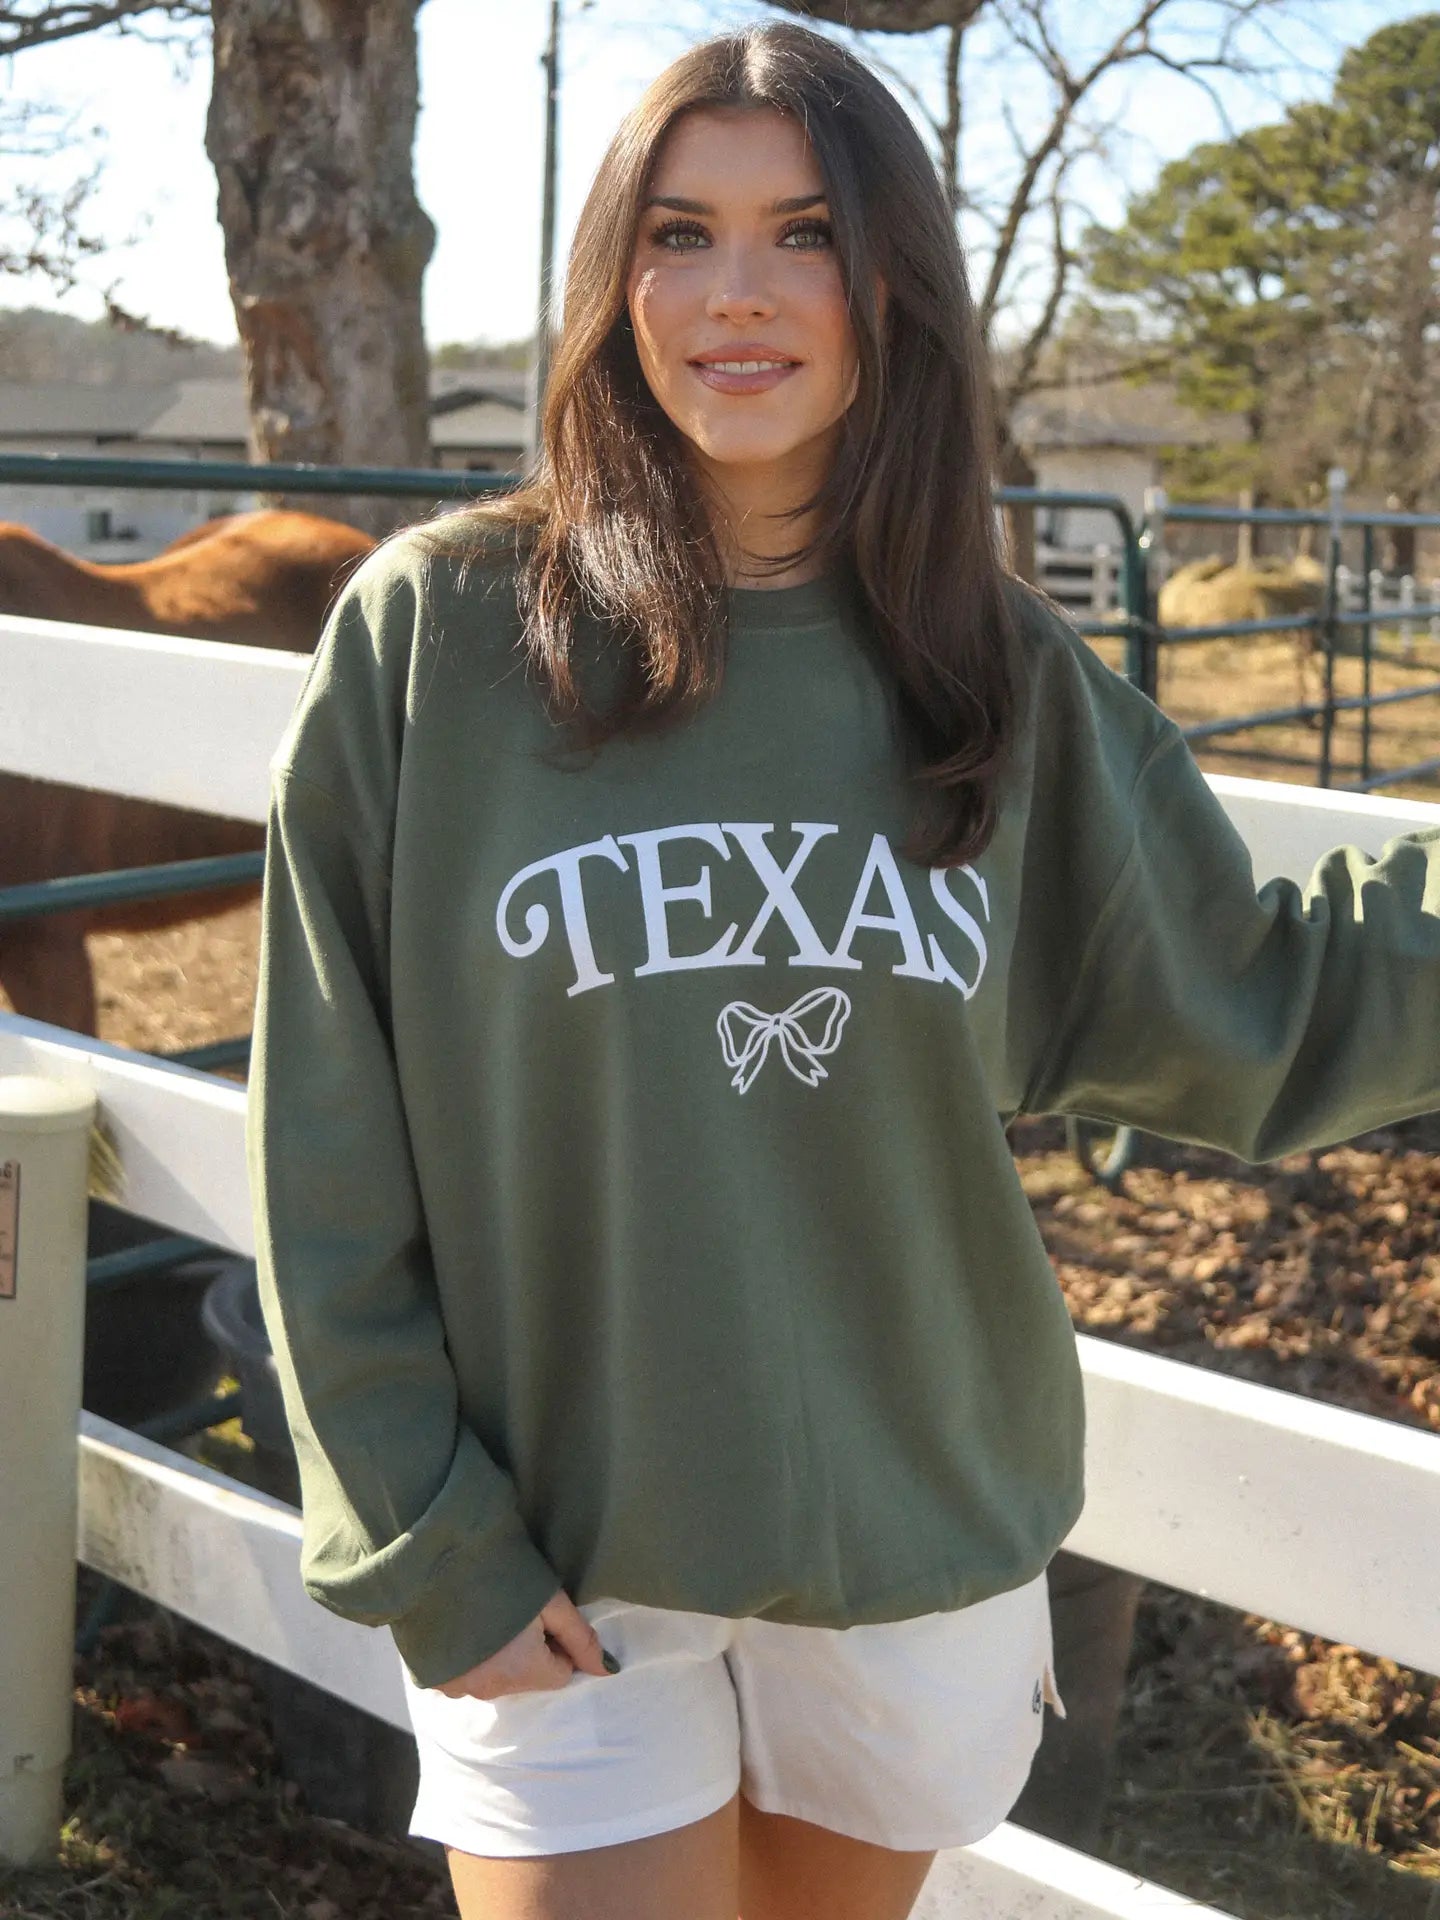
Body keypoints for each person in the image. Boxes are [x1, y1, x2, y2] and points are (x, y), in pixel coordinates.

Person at [244, 22, 1440, 1920]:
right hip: (557, 1547)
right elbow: (325, 1123)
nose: (739, 295)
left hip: (910, 1545)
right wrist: (419, 1525)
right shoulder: (443, 641)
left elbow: (1259, 1005)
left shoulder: (1001, 675)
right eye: (680, 232)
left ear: (892, 281)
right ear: (611, 277)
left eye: (803, 233)